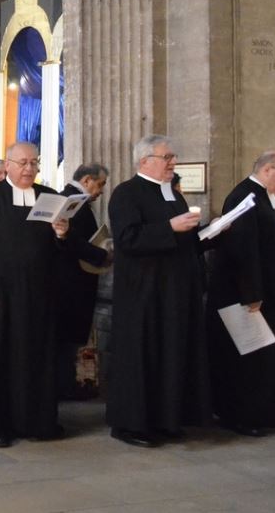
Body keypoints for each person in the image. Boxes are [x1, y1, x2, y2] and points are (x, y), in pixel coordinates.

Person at [0, 142, 100, 448]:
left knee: (38, 357)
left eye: (34, 163)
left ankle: (38, 422)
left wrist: (62, 234)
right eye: (22, 163)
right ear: (8, 165)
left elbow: (63, 248)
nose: (29, 168)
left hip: (40, 294)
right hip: (1, 295)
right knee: (0, 359)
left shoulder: (48, 197)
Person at [105, 134, 209, 448]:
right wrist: (170, 228)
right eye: (167, 157)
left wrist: (213, 232)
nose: (173, 162)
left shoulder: (173, 195)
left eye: (172, 157)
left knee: (171, 354)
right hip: (143, 292)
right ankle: (131, 425)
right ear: (145, 161)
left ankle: (167, 419)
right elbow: (127, 238)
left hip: (174, 292)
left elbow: (184, 241)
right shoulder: (126, 193)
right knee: (141, 356)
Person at [207, 152, 275, 437]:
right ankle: (241, 416)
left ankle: (266, 413)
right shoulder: (244, 196)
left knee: (264, 359)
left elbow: (266, 241)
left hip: (265, 291)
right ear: (267, 169)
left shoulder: (262, 196)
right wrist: (250, 293)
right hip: (246, 295)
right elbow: (241, 249)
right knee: (248, 361)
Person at [57, 163, 112, 399]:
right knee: (67, 338)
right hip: (71, 281)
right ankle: (66, 386)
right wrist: (102, 254)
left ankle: (69, 383)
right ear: (87, 180)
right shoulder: (72, 201)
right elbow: (73, 241)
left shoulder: (73, 198)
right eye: (100, 185)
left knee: (71, 337)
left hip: (75, 280)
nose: (101, 191)